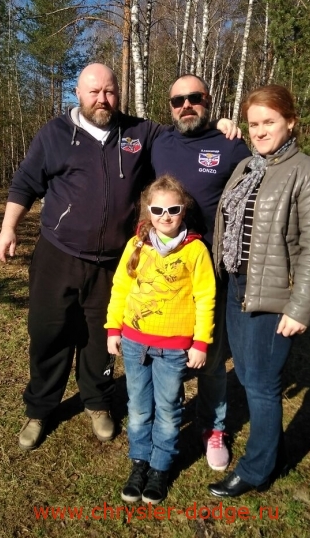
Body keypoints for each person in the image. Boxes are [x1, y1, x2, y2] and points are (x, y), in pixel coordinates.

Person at [0, 63, 239, 451]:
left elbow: (187, 129)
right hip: (58, 253)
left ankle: (97, 403)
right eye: (94, 92)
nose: (102, 99)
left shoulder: (140, 133)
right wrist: (9, 227)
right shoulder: (55, 134)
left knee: (100, 338)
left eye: (109, 91)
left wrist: (220, 125)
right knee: (49, 333)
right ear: (78, 93)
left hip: (112, 261)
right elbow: (26, 182)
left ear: (118, 94)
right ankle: (40, 409)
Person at [208, 84, 310, 498]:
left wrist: (300, 307)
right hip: (236, 285)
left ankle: (258, 470)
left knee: (262, 384)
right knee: (248, 375)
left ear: (291, 122)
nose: (260, 131)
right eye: (253, 124)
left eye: (269, 122)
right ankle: (272, 454)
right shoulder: (246, 167)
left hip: (272, 291)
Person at [151, 74, 251, 471]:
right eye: (178, 100)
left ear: (208, 101)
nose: (186, 106)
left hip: (212, 270)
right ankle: (167, 419)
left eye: (194, 98)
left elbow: (259, 188)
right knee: (168, 351)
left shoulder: (230, 145)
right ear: (170, 106)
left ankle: (214, 427)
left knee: (208, 355)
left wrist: (231, 125)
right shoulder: (159, 141)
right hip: (166, 271)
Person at [106, 175, 216, 504]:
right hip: (135, 343)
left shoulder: (195, 250)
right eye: (157, 210)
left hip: (174, 349)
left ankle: (160, 467)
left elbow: (205, 297)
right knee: (139, 409)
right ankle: (139, 463)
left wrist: (200, 342)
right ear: (148, 212)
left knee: (168, 410)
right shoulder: (136, 245)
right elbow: (120, 289)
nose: (165, 216)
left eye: (173, 209)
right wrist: (113, 329)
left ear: (184, 211)